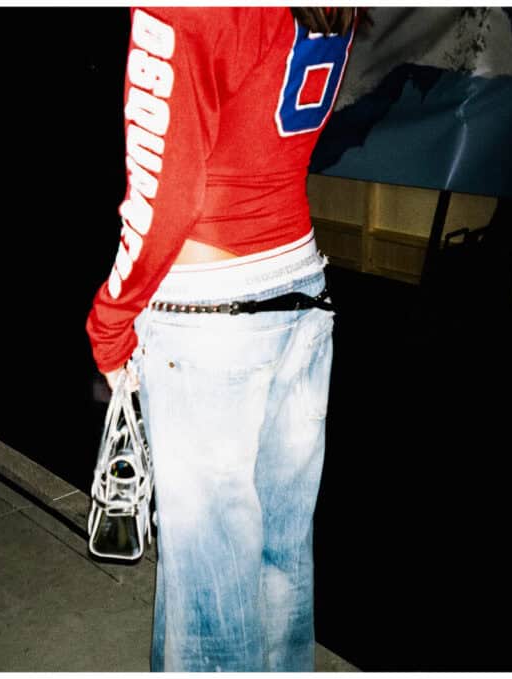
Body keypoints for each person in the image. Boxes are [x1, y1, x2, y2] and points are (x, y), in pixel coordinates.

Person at [85, 6, 361, 672]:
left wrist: (110, 319)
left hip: (209, 318)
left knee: (211, 592)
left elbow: (162, 196)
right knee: (280, 562)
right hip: (301, 291)